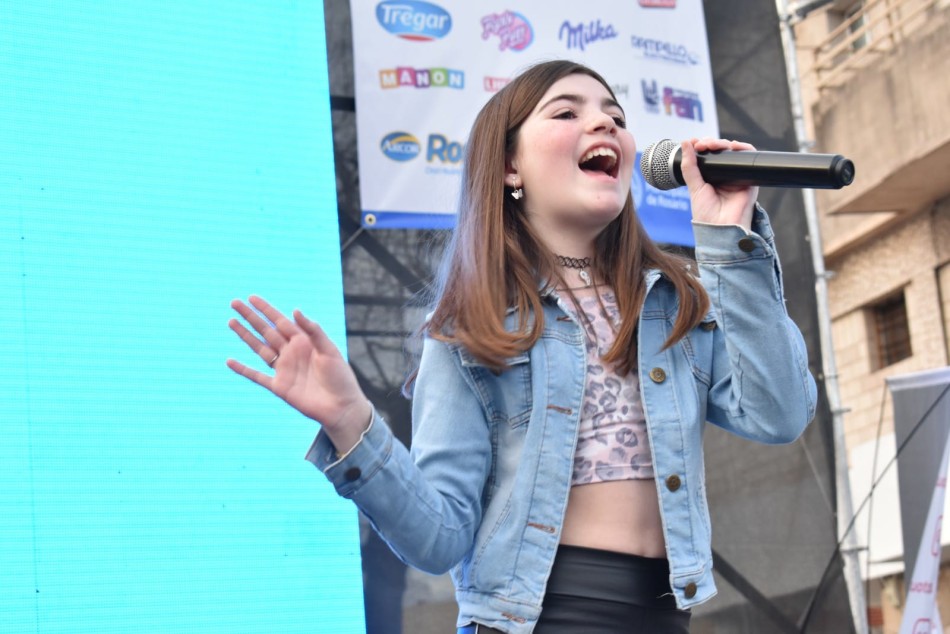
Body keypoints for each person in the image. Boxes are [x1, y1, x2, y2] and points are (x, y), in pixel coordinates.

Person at [226, 60, 817, 634]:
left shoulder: (672, 302)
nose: (604, 123)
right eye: (567, 112)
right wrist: (350, 420)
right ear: (511, 167)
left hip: (665, 614)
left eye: (615, 113)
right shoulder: (470, 327)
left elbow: (779, 413)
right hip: (533, 618)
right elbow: (439, 539)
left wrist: (727, 236)